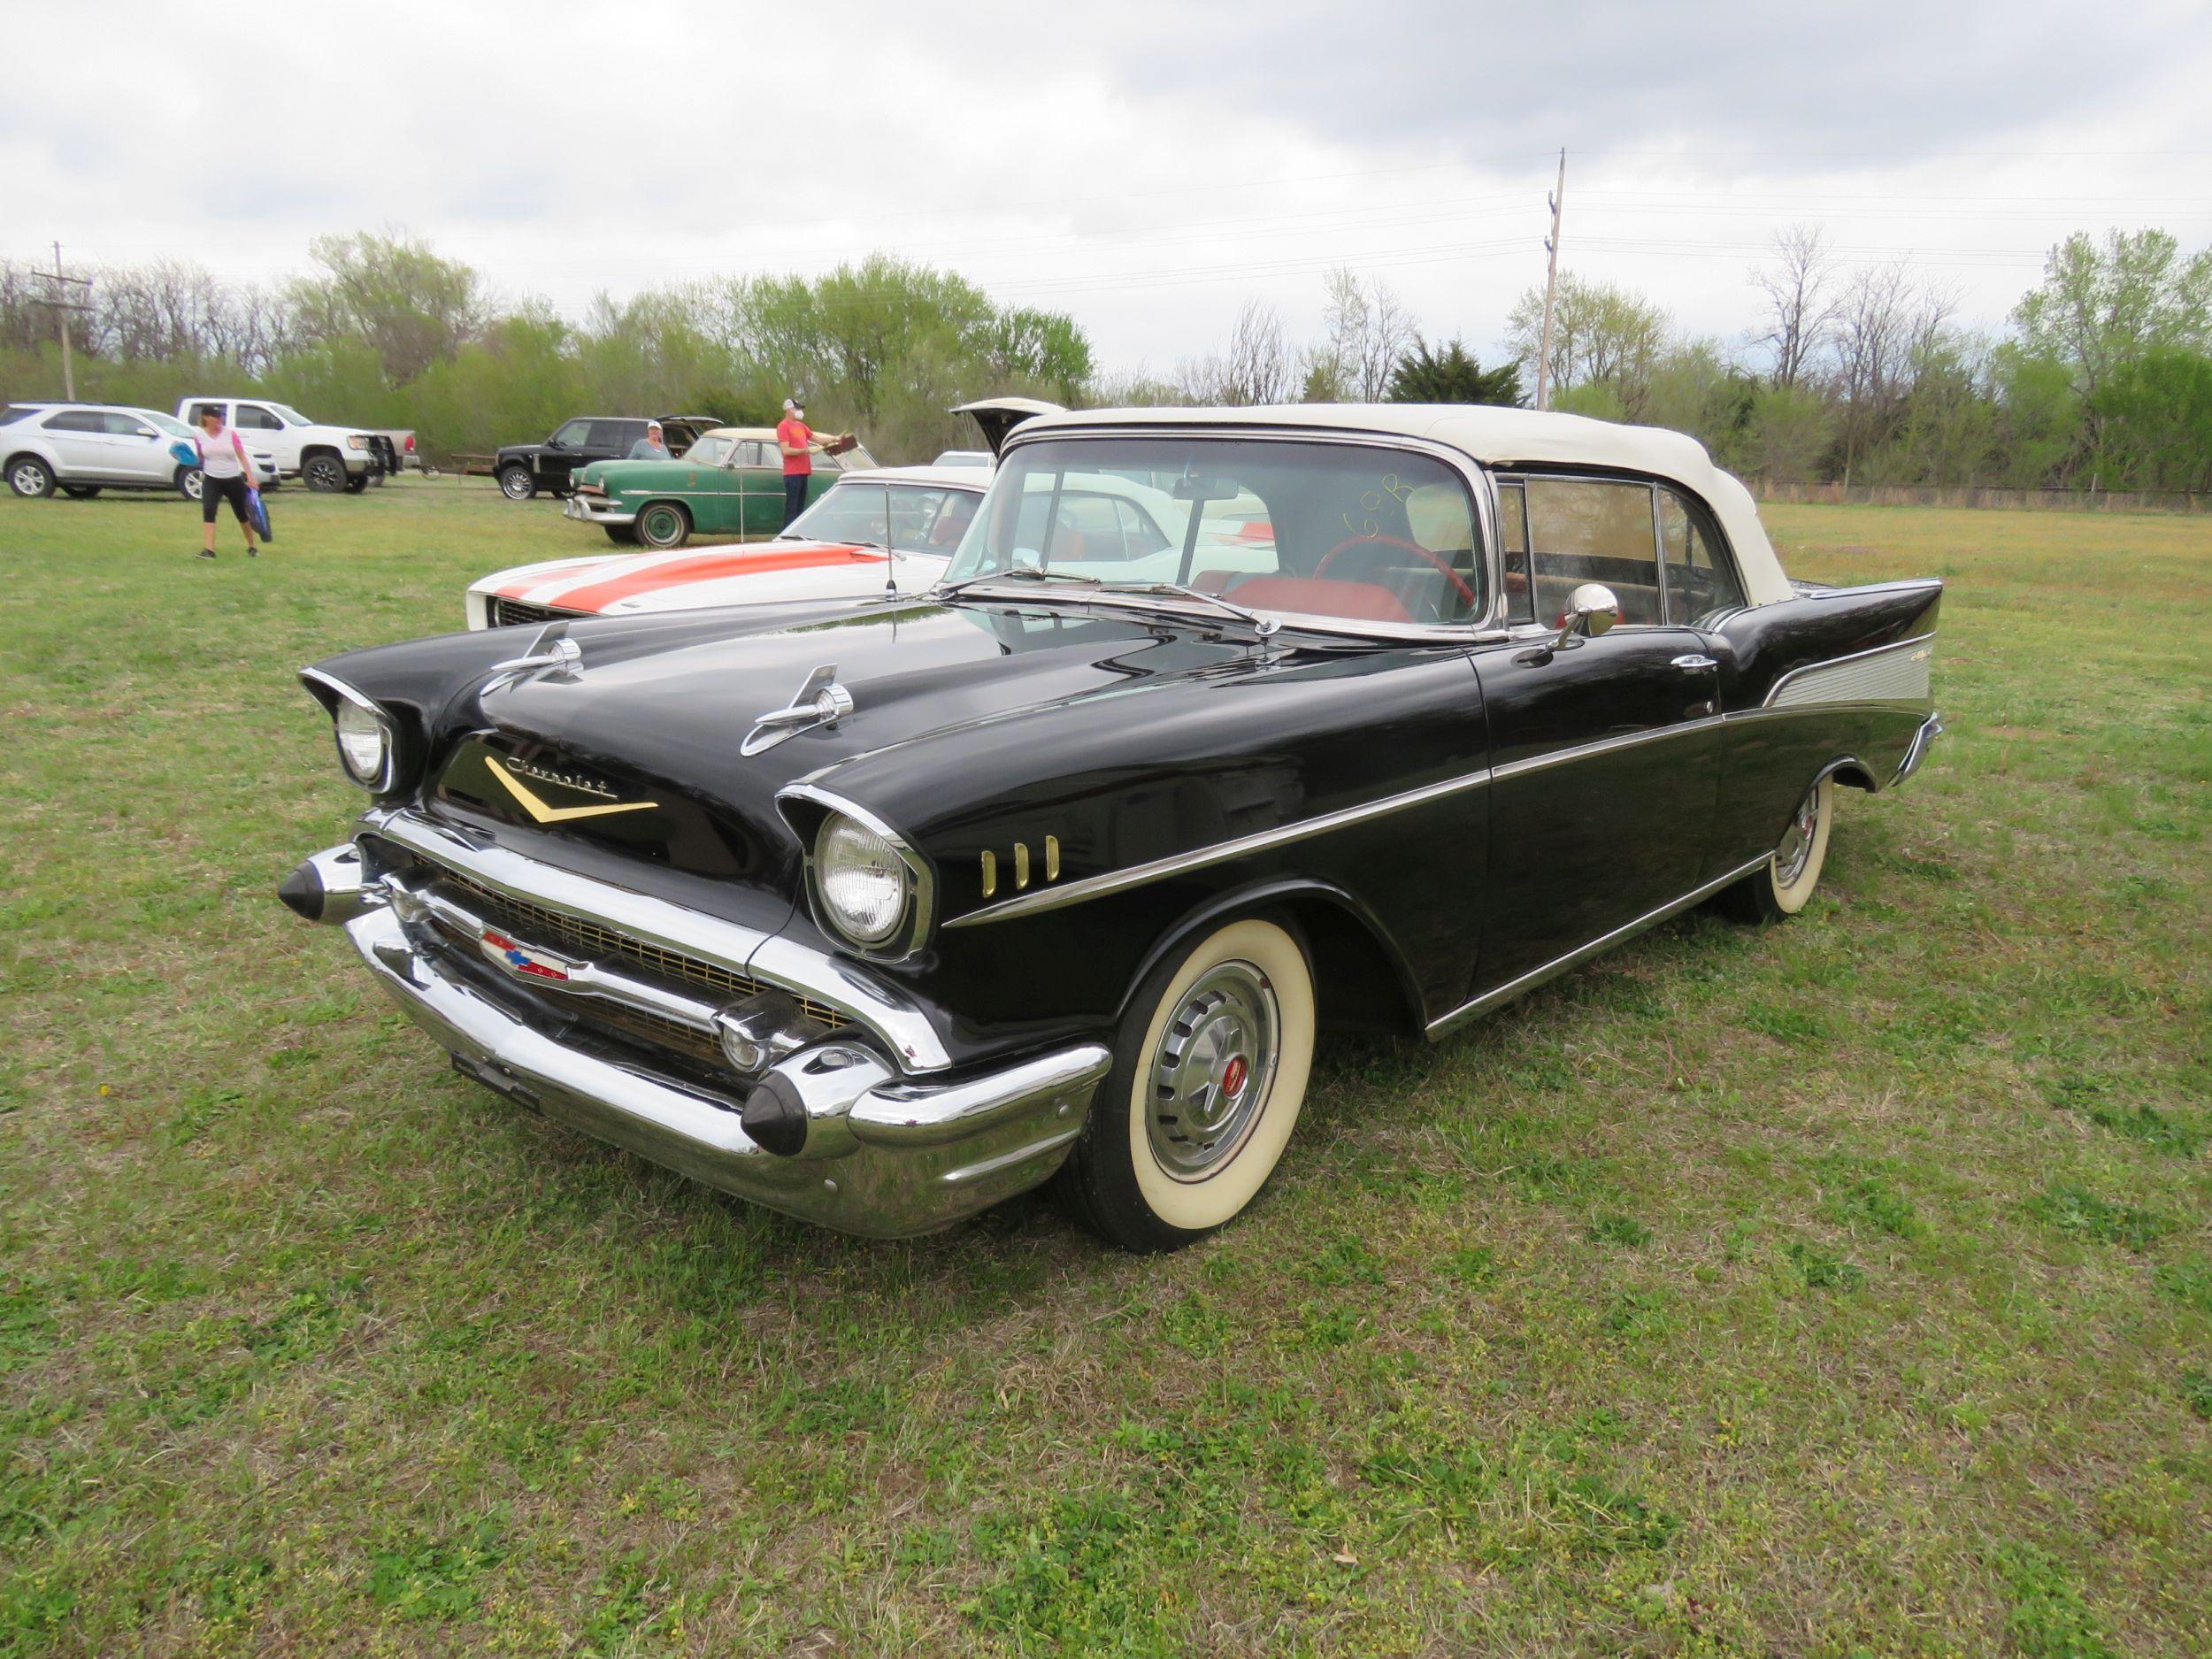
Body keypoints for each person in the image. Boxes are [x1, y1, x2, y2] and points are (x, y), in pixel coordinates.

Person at [193, 406, 259, 560]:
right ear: (206, 418)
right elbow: (200, 458)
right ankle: (209, 550)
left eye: (220, 416)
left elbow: (242, 456)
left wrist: (250, 477)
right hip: (211, 478)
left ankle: (252, 546)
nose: (219, 419)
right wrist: (184, 458)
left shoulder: (230, 434)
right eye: (215, 416)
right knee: (209, 509)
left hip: (233, 478)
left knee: (241, 513)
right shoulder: (199, 436)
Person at [775, 396, 852, 527]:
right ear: (789, 410)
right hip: (792, 473)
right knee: (792, 509)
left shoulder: (801, 426)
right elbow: (786, 450)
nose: (799, 411)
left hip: (804, 471)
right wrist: (806, 450)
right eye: (796, 408)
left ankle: (797, 534)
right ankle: (787, 536)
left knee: (800, 508)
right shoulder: (783, 426)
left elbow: (818, 440)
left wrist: (835, 439)